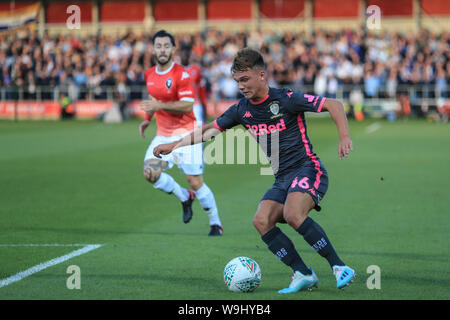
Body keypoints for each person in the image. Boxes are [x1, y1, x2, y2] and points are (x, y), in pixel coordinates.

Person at [150, 48, 356, 293]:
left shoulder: (286, 99)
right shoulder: (241, 110)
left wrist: (344, 137)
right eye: (237, 81)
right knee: (261, 220)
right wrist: (173, 145)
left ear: (261, 75)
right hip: (282, 178)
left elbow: (333, 104)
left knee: (292, 213)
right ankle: (302, 273)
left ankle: (339, 267)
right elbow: (208, 130)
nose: (241, 86)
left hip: (308, 168)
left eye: (245, 79)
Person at [139, 30, 223, 236]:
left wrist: (159, 105)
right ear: (153, 49)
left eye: (166, 46)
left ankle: (215, 223)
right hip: (164, 133)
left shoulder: (182, 74)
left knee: (195, 180)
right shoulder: (149, 74)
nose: (162, 50)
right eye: (158, 46)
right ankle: (185, 197)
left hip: (187, 134)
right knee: (150, 173)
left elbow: (187, 106)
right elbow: (153, 98)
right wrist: (147, 120)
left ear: (173, 49)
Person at [179, 46, 208, 125]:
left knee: (199, 129)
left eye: (186, 56)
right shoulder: (176, 71)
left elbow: (201, 89)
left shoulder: (196, 70)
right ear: (180, 57)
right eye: (182, 56)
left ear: (189, 57)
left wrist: (204, 105)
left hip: (196, 104)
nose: (184, 58)